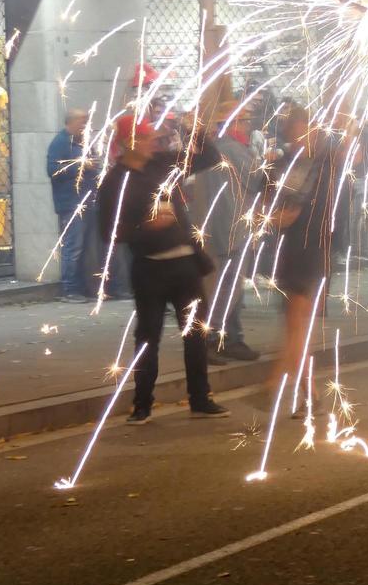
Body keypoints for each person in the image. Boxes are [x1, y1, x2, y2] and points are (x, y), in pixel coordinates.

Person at [99, 114, 229, 423]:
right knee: (148, 337)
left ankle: (201, 398)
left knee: (196, 333)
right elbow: (110, 232)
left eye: (149, 137)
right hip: (149, 268)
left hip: (184, 262)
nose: (149, 143)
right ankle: (142, 403)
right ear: (126, 144)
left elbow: (209, 157)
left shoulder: (162, 163)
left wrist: (193, 128)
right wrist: (147, 226)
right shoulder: (115, 181)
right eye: (142, 139)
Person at [267, 102, 350, 402]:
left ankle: (288, 377)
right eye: (290, 131)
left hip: (316, 247)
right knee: (297, 322)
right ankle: (304, 387)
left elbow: (349, 149)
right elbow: (271, 197)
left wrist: (346, 118)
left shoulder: (325, 157)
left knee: (300, 320)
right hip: (291, 247)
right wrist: (274, 217)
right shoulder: (286, 161)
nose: (295, 136)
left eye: (298, 128)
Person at [185, 99, 263, 362]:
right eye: (244, 119)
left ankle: (228, 337)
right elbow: (257, 179)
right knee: (227, 287)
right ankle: (212, 339)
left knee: (225, 285)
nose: (249, 123)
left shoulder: (215, 148)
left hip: (217, 224)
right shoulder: (233, 149)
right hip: (233, 224)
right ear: (234, 123)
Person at [47, 108, 93, 303]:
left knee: (80, 246)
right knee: (72, 246)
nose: (85, 125)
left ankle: (80, 288)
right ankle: (70, 289)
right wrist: (80, 165)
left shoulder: (80, 141)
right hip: (70, 202)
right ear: (71, 122)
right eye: (82, 121)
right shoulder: (60, 142)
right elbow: (52, 170)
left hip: (83, 200)